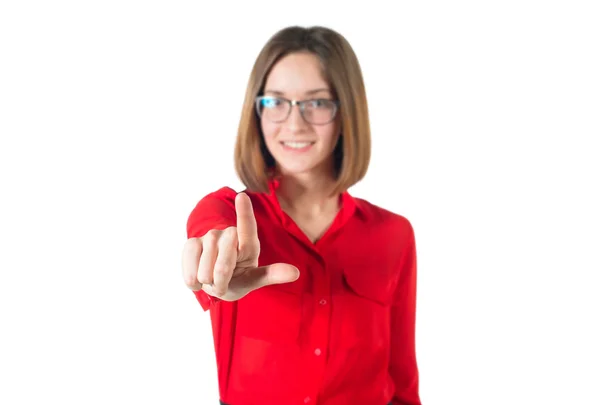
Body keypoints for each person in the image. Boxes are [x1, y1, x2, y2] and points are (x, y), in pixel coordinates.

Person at [181, 25, 422, 405]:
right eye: (276, 102)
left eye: (317, 103)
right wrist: (217, 268)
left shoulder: (394, 234)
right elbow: (212, 232)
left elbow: (402, 379)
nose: (294, 124)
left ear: (346, 113)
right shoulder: (230, 213)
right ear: (256, 112)